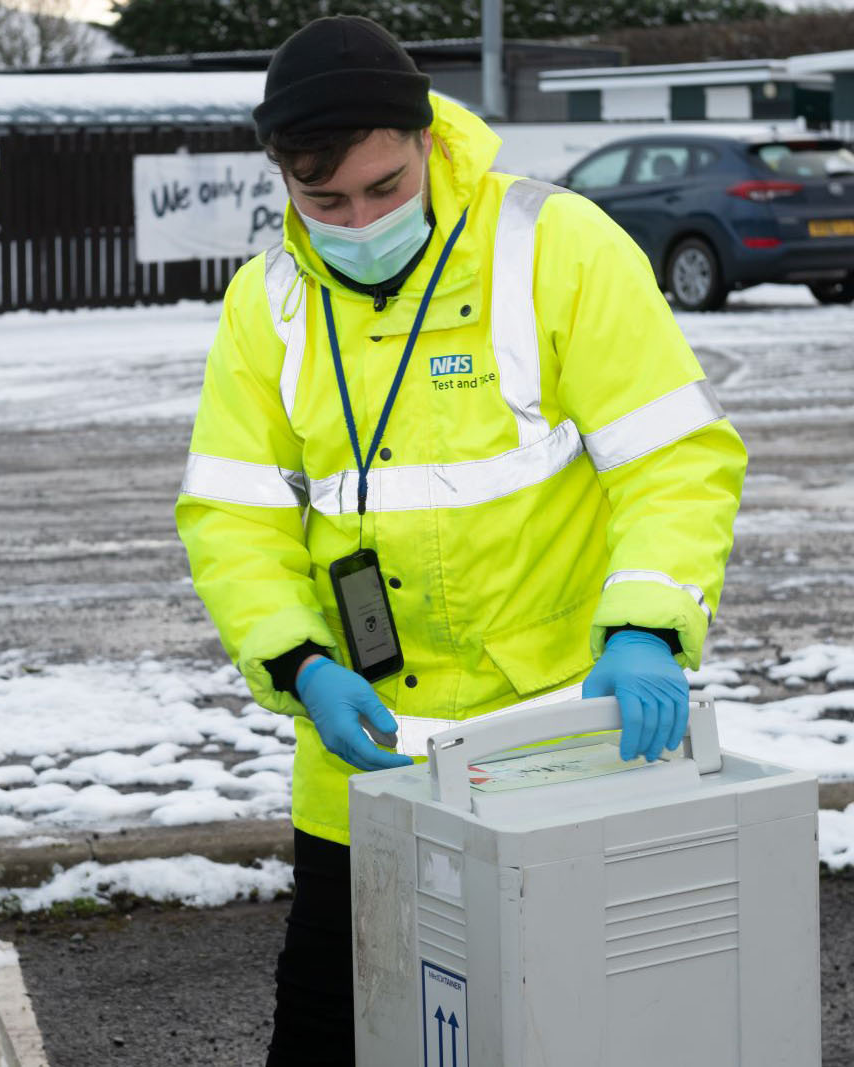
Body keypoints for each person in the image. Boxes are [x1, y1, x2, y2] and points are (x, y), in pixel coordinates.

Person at [173, 15, 746, 1065]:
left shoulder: (554, 244)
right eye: (324, 200)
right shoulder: (269, 302)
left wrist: (644, 626)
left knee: (558, 1037)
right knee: (337, 1036)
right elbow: (234, 514)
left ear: (428, 140)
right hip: (366, 777)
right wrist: (299, 661)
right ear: (282, 178)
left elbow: (674, 460)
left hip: (560, 752)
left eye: (385, 188)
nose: (358, 220)